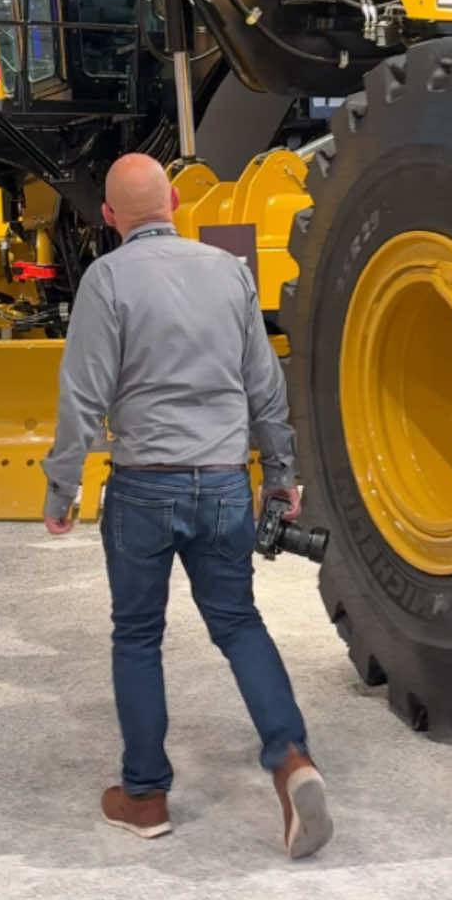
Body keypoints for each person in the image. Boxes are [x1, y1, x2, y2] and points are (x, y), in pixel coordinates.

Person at [42, 153, 332, 860]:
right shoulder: (230, 272)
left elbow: (82, 396)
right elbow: (265, 384)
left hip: (145, 484)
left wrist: (62, 487)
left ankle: (144, 797)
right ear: (175, 199)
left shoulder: (106, 279)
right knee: (238, 622)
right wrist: (281, 473)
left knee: (137, 634)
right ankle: (291, 759)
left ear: (108, 219)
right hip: (225, 481)